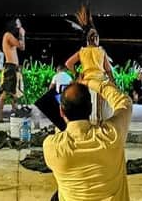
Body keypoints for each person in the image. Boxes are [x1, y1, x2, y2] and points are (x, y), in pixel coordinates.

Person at [43, 72, 133, 201]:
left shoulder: (52, 146)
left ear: (61, 112)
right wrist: (93, 83)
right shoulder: (112, 135)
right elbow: (124, 103)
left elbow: (62, 130)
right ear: (91, 108)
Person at [0, 17, 26, 123]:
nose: (20, 24)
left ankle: (15, 112)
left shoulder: (10, 36)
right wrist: (22, 34)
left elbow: (22, 47)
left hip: (14, 68)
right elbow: (21, 46)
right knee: (5, 93)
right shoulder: (8, 35)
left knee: (14, 93)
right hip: (10, 68)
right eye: (18, 23)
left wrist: (22, 35)